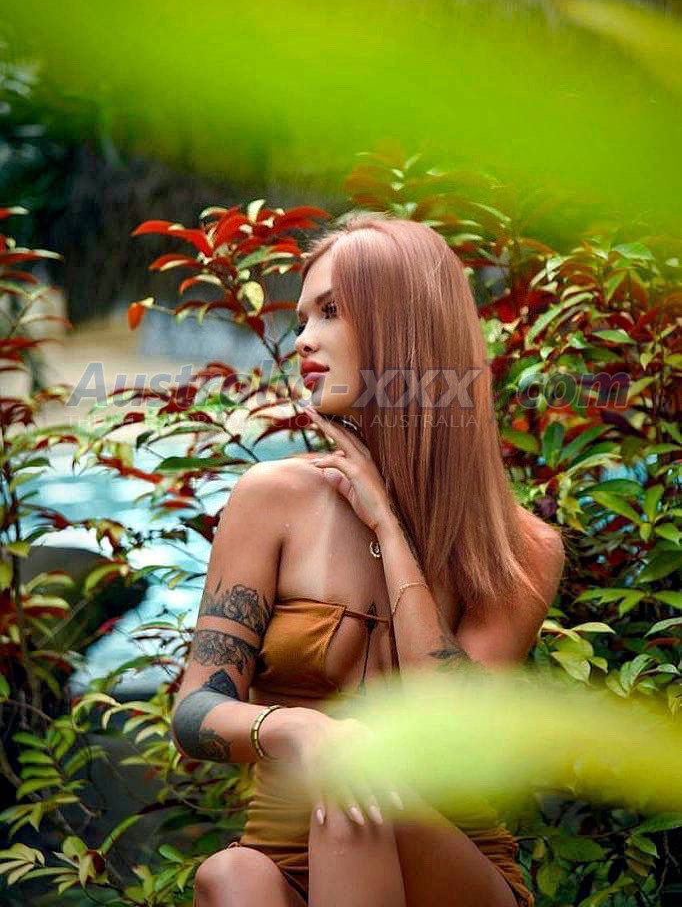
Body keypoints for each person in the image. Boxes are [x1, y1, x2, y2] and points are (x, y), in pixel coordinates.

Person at [171, 214, 565, 906]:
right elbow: (194, 711)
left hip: (445, 867)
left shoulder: (519, 548)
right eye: (301, 320)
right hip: (287, 862)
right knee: (230, 876)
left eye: (330, 312)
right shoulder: (272, 499)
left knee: (357, 789)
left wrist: (387, 524)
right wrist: (297, 727)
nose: (303, 340)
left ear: (405, 330)